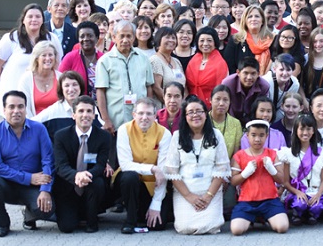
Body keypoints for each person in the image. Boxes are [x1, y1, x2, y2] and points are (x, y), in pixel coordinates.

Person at [162, 96, 230, 234]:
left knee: (211, 226)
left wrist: (208, 196)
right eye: (190, 112)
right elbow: (172, 171)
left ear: (206, 114)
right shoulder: (177, 136)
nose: (195, 115)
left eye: (199, 111)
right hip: (185, 191)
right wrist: (189, 196)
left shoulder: (216, 135)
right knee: (184, 227)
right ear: (185, 116)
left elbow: (222, 169)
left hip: (210, 191)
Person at [0, 91, 55, 237]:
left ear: (26, 108)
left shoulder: (39, 129)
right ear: (4, 110)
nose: (16, 111)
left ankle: (29, 214)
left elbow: (48, 161)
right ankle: (3, 223)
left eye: (20, 107)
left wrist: (45, 190)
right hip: (7, 185)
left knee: (46, 211)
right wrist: (28, 177)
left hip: (33, 186)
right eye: (11, 107)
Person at [50, 96, 107, 234]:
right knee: (67, 227)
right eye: (81, 111)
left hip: (91, 182)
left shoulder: (103, 137)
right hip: (68, 185)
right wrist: (76, 175)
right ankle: (75, 213)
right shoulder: (61, 136)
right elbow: (60, 166)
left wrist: (87, 175)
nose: (85, 115)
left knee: (98, 183)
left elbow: (100, 165)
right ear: (73, 115)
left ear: (94, 115)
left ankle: (91, 220)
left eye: (89, 111)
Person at [115, 97, 173, 233]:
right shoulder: (124, 129)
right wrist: (152, 168)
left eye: (148, 114)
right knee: (130, 177)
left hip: (154, 184)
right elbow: (125, 164)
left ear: (155, 115)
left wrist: (156, 204)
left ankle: (143, 213)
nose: (144, 117)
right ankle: (130, 221)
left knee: (158, 225)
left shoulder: (164, 134)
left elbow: (163, 172)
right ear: (134, 115)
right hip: (129, 180)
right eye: (140, 113)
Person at [0, 4, 63, 117]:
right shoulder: (11, 38)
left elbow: (56, 64)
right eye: (30, 16)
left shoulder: (51, 38)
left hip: (40, 97)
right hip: (14, 94)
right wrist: (8, 80)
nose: (34, 20)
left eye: (37, 16)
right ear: (23, 20)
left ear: (43, 20)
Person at [229, 119, 290, 235]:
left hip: (270, 200)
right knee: (236, 230)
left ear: (266, 136)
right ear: (247, 136)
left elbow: (282, 179)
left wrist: (271, 169)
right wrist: (245, 173)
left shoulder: (272, 154)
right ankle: (255, 217)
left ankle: (266, 217)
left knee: (282, 227)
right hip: (247, 202)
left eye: (261, 135)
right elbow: (233, 181)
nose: (257, 139)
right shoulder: (239, 155)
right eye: (253, 135)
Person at [277, 114, 323, 225]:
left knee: (317, 206)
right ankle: (298, 213)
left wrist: (318, 195)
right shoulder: (288, 153)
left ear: (313, 131)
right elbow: (286, 182)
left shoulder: (321, 154)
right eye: (302, 129)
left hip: (315, 190)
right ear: (295, 130)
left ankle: (312, 214)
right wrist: (297, 192)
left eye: (308, 129)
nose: (305, 133)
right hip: (297, 191)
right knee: (299, 204)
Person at [96, 20, 154, 134]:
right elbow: (100, 91)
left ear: (134, 38)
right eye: (121, 36)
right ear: (114, 37)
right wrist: (106, 119)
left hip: (141, 121)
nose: (125, 40)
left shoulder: (143, 58)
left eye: (129, 36)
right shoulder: (105, 61)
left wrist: (149, 112)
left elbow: (149, 87)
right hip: (116, 122)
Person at [186, 27, 229, 108]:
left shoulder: (220, 63)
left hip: (211, 108)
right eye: (202, 40)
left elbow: (220, 89)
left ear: (215, 43)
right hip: (191, 105)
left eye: (209, 40)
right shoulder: (193, 60)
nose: (205, 44)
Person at [18, 41, 62, 118]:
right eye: (44, 55)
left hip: (58, 125)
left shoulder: (61, 77)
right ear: (37, 58)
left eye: (50, 55)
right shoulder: (26, 79)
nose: (47, 58)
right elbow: (24, 108)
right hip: (35, 124)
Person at [222, 57, 271, 124]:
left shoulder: (264, 86)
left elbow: (262, 108)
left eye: (253, 73)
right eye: (245, 73)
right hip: (231, 121)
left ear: (258, 74)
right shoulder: (228, 84)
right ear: (238, 72)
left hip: (253, 122)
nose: (249, 77)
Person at [232, 6, 274, 74]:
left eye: (257, 16)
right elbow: (230, 65)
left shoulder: (272, 39)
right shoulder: (236, 40)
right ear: (245, 21)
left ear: (262, 20)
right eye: (250, 17)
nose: (253, 19)